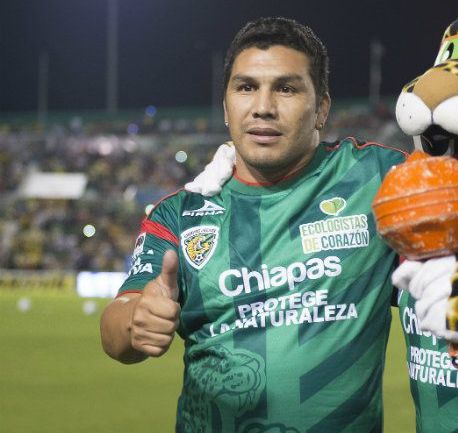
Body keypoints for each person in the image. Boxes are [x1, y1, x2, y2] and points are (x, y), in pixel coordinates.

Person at [100, 17, 407, 433]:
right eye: (246, 87)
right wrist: (137, 320)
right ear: (226, 107)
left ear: (321, 108)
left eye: (286, 88)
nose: (263, 106)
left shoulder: (378, 179)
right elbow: (115, 329)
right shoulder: (180, 213)